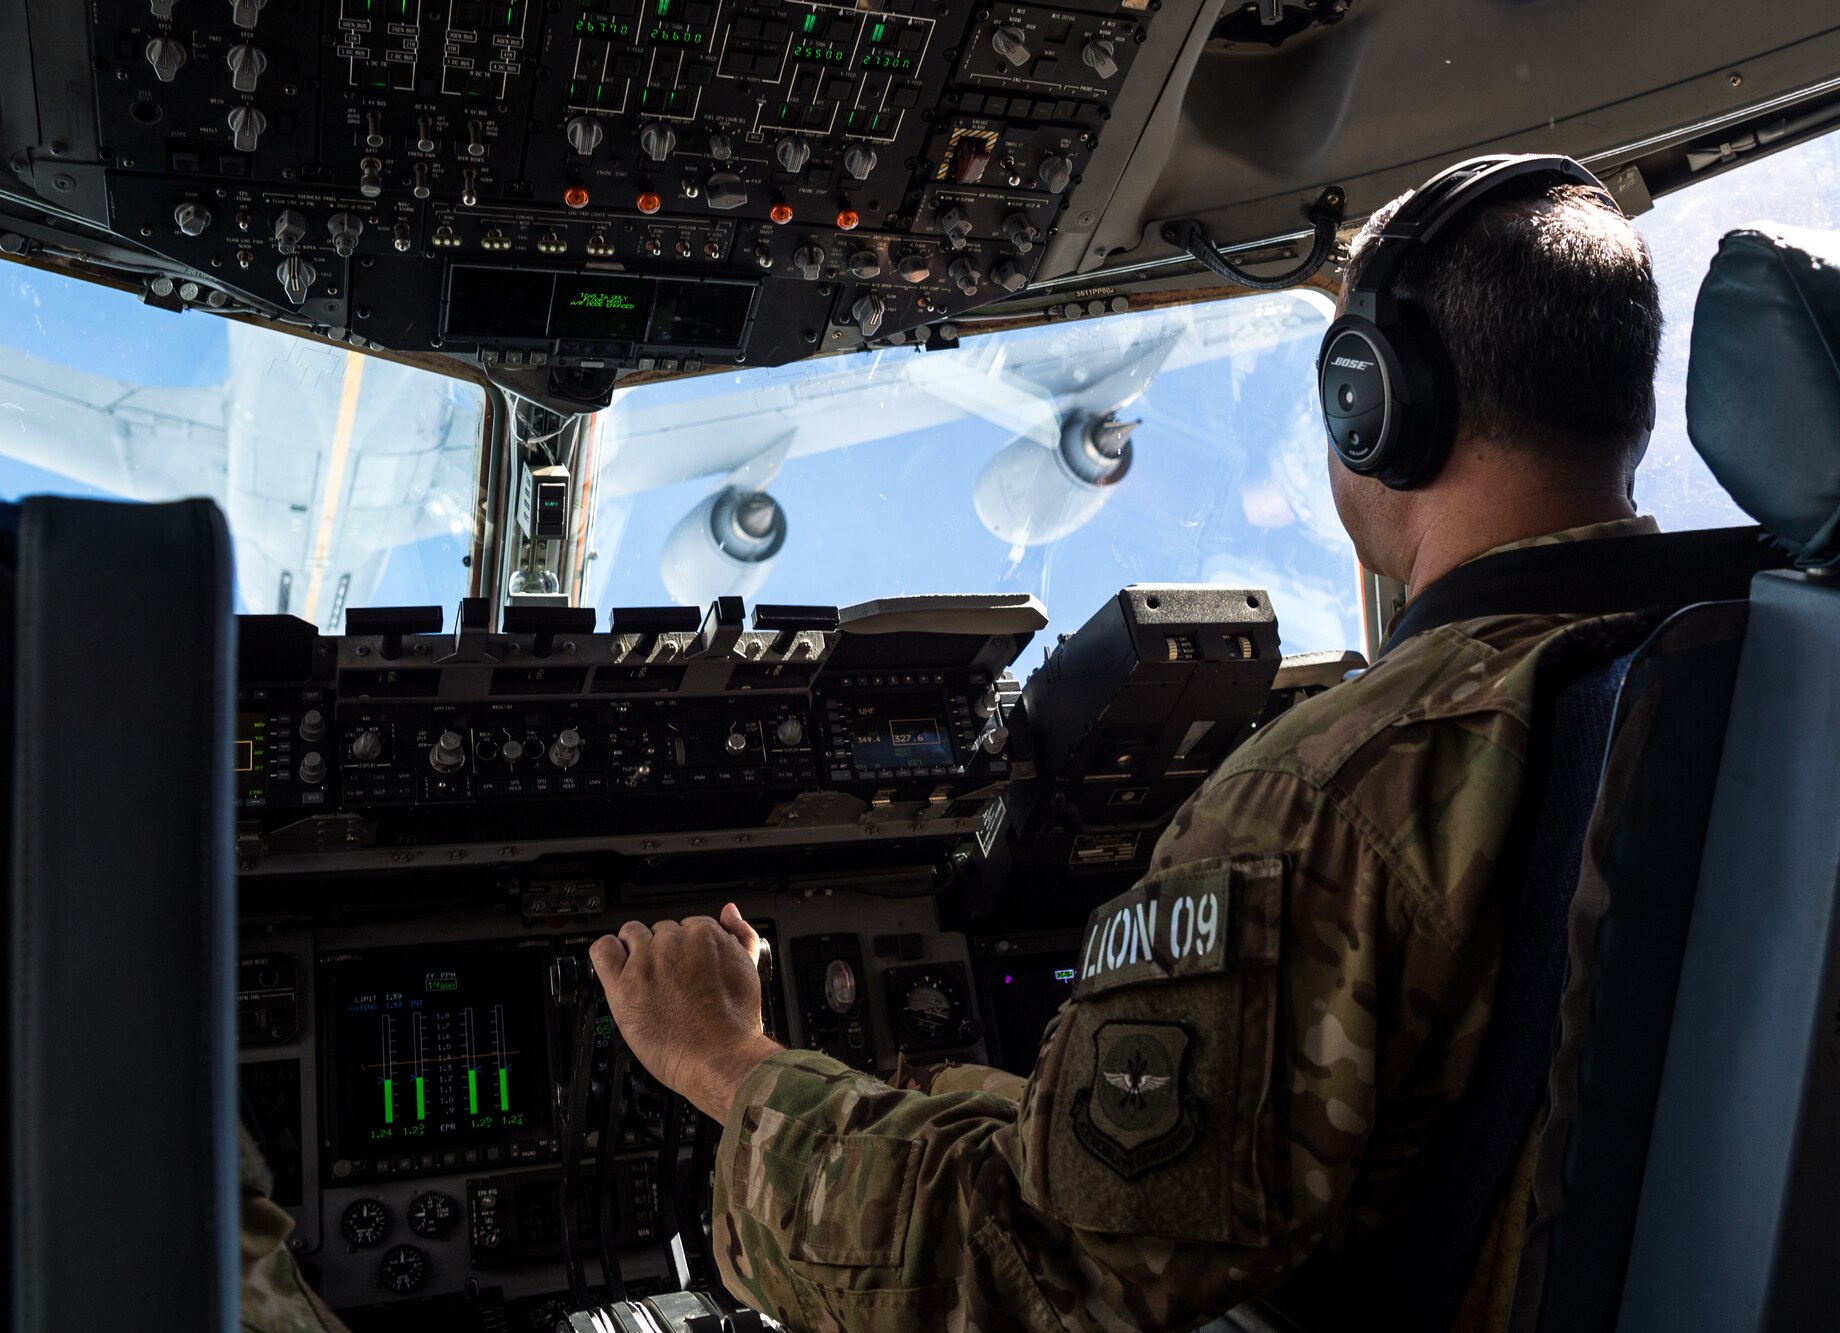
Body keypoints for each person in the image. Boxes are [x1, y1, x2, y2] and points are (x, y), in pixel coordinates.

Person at [590, 156, 1673, 1333]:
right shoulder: (1713, 666)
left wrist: (725, 1061)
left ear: (1374, 400)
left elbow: (1044, 1275)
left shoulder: (1337, 790)